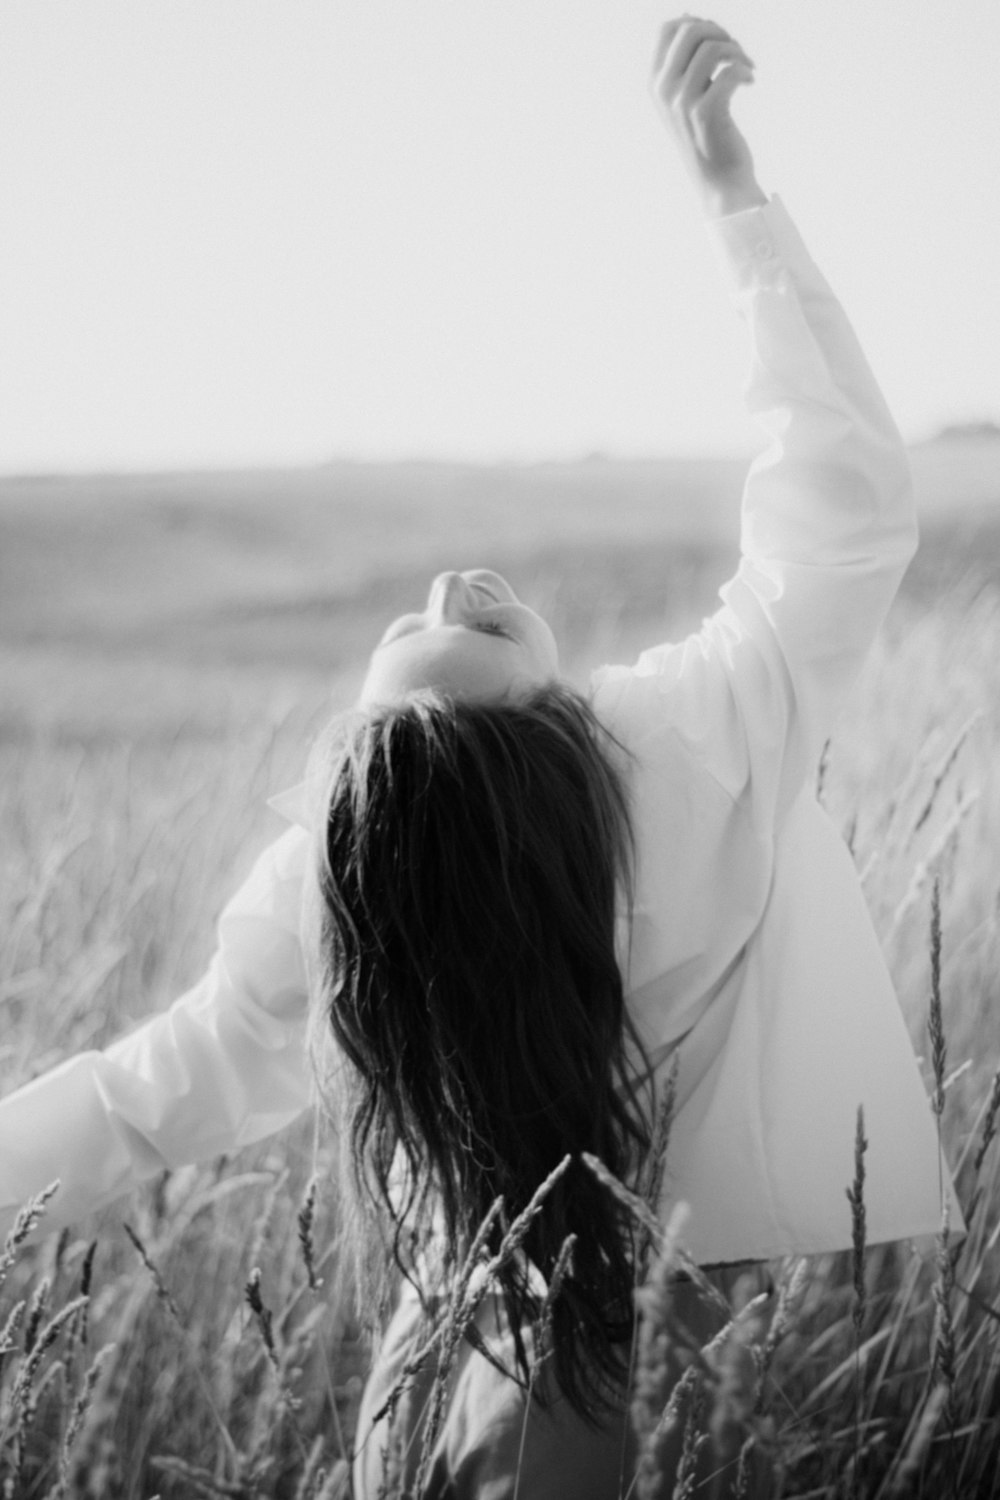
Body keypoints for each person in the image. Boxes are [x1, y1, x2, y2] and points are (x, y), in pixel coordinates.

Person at [0, 16, 963, 1497]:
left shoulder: (346, 880)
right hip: (601, 1318)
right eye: (473, 637)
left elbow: (160, 1083)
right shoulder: (660, 753)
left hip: (458, 1303)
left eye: (418, 624)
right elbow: (838, 520)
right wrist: (730, 195)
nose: (458, 587)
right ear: (550, 729)